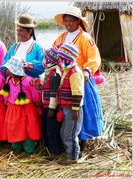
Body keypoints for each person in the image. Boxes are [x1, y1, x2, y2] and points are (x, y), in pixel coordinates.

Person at [53, 6, 104, 151]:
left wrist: (87, 72)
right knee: (67, 114)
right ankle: (69, 144)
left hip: (80, 80)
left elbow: (94, 58)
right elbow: (54, 53)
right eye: (66, 21)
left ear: (78, 22)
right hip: (64, 81)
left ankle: (82, 144)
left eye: (71, 21)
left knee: (82, 113)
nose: (68, 24)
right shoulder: (61, 37)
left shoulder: (85, 38)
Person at [1, 56, 41, 154]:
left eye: (10, 70)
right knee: (14, 128)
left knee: (27, 128)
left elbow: (35, 96)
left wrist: (37, 102)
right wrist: (6, 103)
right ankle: (17, 148)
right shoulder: (9, 80)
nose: (9, 72)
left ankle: (29, 149)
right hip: (13, 108)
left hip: (27, 109)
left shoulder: (28, 81)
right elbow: (6, 95)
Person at [56, 43, 84, 165]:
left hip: (73, 110)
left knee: (70, 135)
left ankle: (73, 158)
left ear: (68, 58)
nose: (59, 60)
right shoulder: (67, 71)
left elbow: (78, 93)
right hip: (67, 108)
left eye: (62, 58)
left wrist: (75, 110)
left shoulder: (75, 73)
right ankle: (71, 153)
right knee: (64, 132)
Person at [0, 14, 44, 79]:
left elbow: (42, 66)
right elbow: (4, 64)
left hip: (30, 85)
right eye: (17, 30)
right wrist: (10, 71)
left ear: (29, 31)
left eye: (21, 30)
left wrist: (28, 65)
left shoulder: (37, 48)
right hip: (14, 86)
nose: (18, 33)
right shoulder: (13, 47)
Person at [41, 47, 65, 160]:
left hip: (51, 109)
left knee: (52, 129)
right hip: (46, 107)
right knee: (46, 128)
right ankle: (49, 149)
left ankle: (56, 152)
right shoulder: (48, 74)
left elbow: (53, 94)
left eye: (46, 58)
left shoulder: (55, 75)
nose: (44, 60)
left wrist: (51, 109)